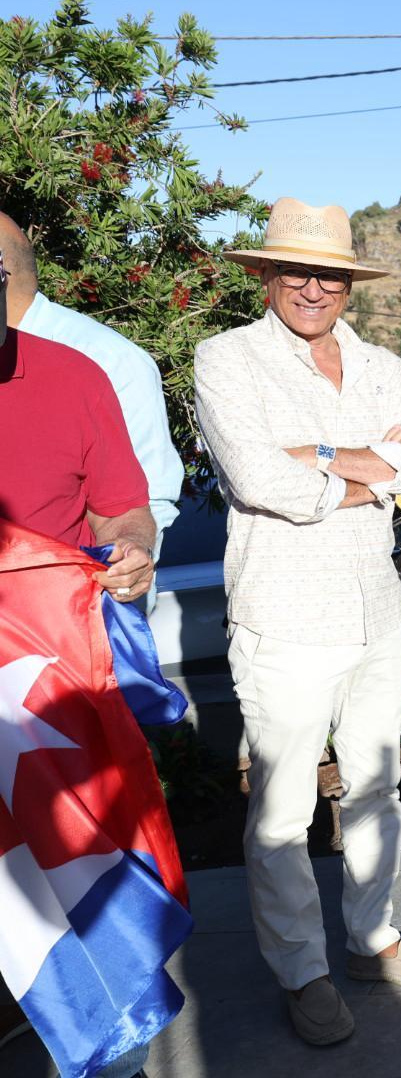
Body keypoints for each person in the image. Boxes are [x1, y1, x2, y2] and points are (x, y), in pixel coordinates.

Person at [194, 198, 401, 1046]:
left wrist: (320, 456)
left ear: (349, 284)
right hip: (284, 618)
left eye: (330, 275)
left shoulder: (379, 365)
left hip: (379, 610)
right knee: (281, 812)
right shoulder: (225, 360)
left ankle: (373, 936)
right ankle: (303, 972)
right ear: (266, 276)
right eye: (296, 270)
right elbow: (259, 480)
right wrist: (370, 471)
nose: (313, 287)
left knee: (378, 787)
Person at [0, 244, 162, 1078]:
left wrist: (130, 549)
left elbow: (124, 506)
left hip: (48, 697)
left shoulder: (74, 375)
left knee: (85, 910)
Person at [0, 211, 183, 557]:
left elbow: (147, 499)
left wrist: (120, 578)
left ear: (4, 275)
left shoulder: (105, 359)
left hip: (83, 592)